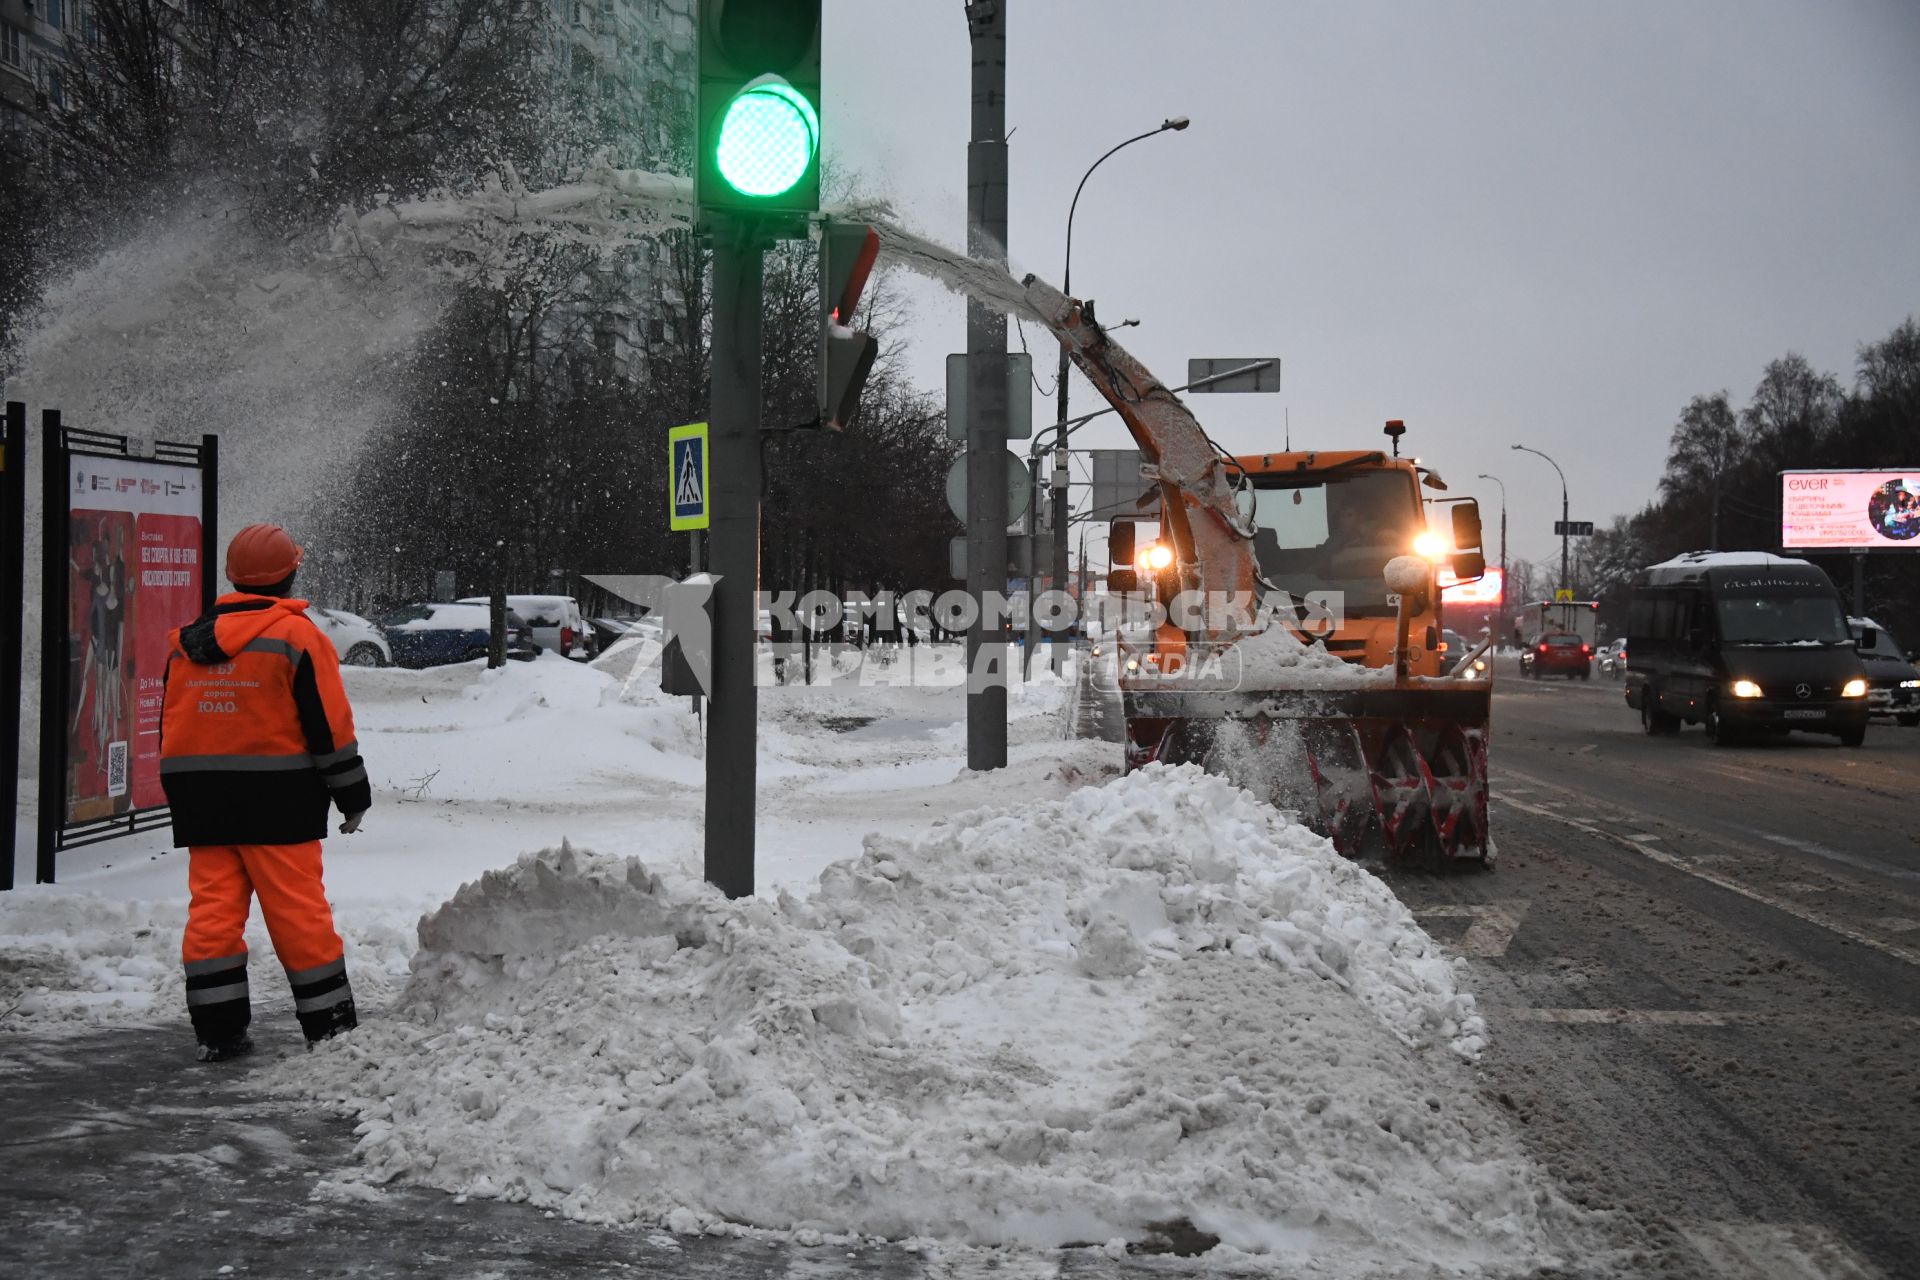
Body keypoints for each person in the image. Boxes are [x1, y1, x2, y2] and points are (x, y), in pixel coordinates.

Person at [159, 523, 371, 1062]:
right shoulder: (298, 638)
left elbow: (172, 726)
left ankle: (219, 1032)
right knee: (299, 917)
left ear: (233, 578)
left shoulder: (185, 643)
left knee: (212, 917)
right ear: (290, 574)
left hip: (203, 803)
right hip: (280, 802)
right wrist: (352, 795)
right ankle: (331, 1033)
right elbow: (329, 726)